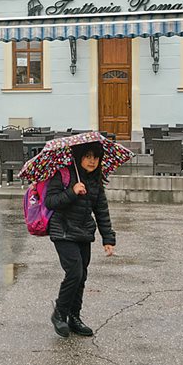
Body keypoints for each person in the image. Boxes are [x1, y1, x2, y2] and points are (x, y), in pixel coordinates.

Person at [44, 142, 115, 338]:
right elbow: (50, 202)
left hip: (83, 233)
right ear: (79, 157)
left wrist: (108, 238)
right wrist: (72, 192)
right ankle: (60, 313)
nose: (92, 161)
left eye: (96, 157)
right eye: (88, 156)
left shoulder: (96, 181)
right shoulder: (64, 174)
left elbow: (101, 211)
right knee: (74, 273)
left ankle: (74, 318)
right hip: (63, 231)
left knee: (82, 276)